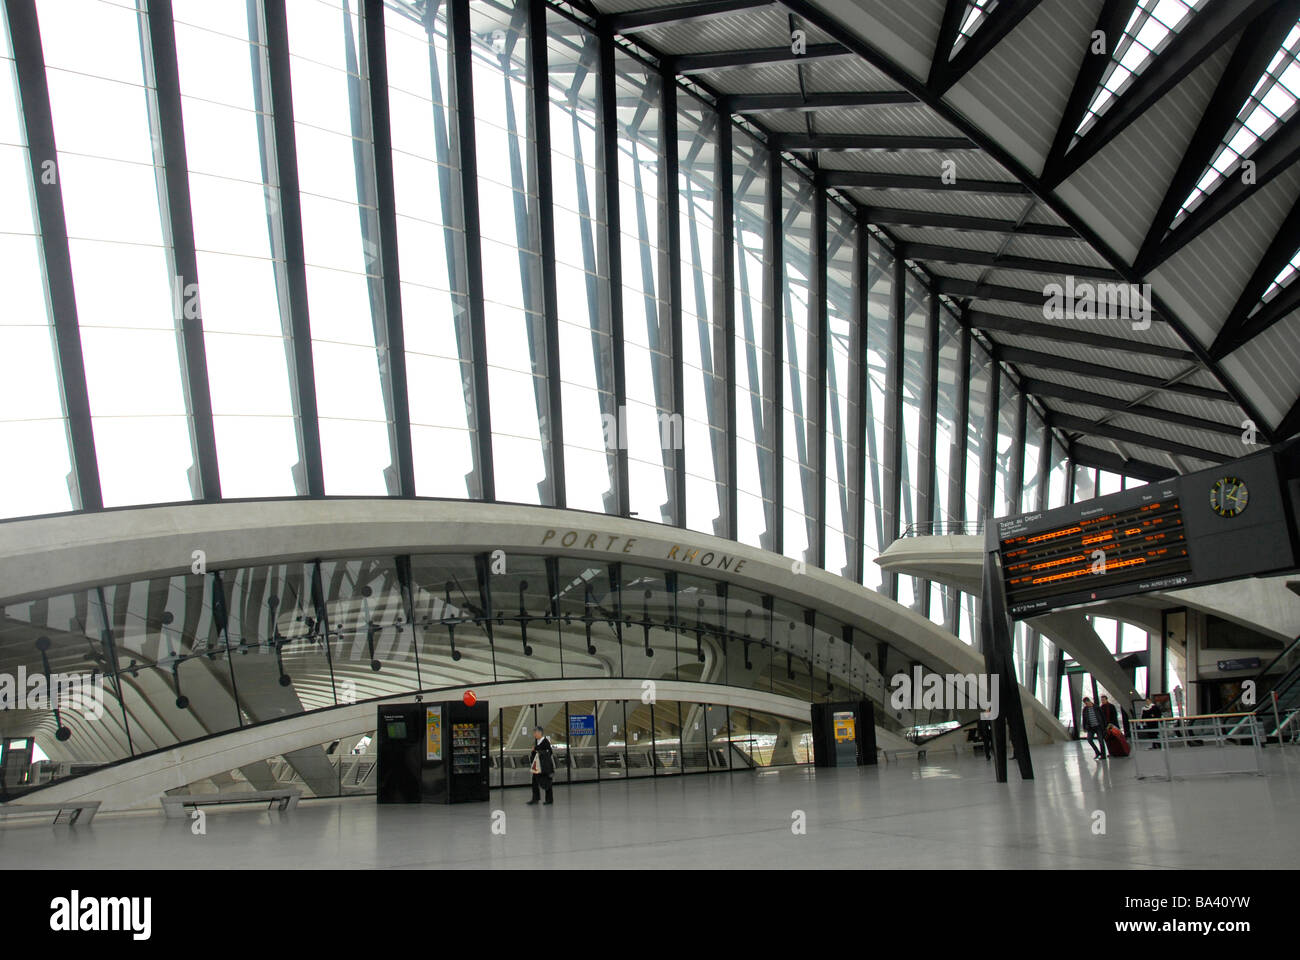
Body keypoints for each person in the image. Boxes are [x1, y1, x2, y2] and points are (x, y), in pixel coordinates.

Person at [527, 726, 555, 805]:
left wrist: (536, 749)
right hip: (537, 766)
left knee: (546, 782)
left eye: (535, 733)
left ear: (539, 733)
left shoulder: (545, 742)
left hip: (544, 766)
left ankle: (549, 799)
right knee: (535, 782)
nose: (534, 734)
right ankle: (535, 798)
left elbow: (549, 752)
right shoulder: (538, 742)